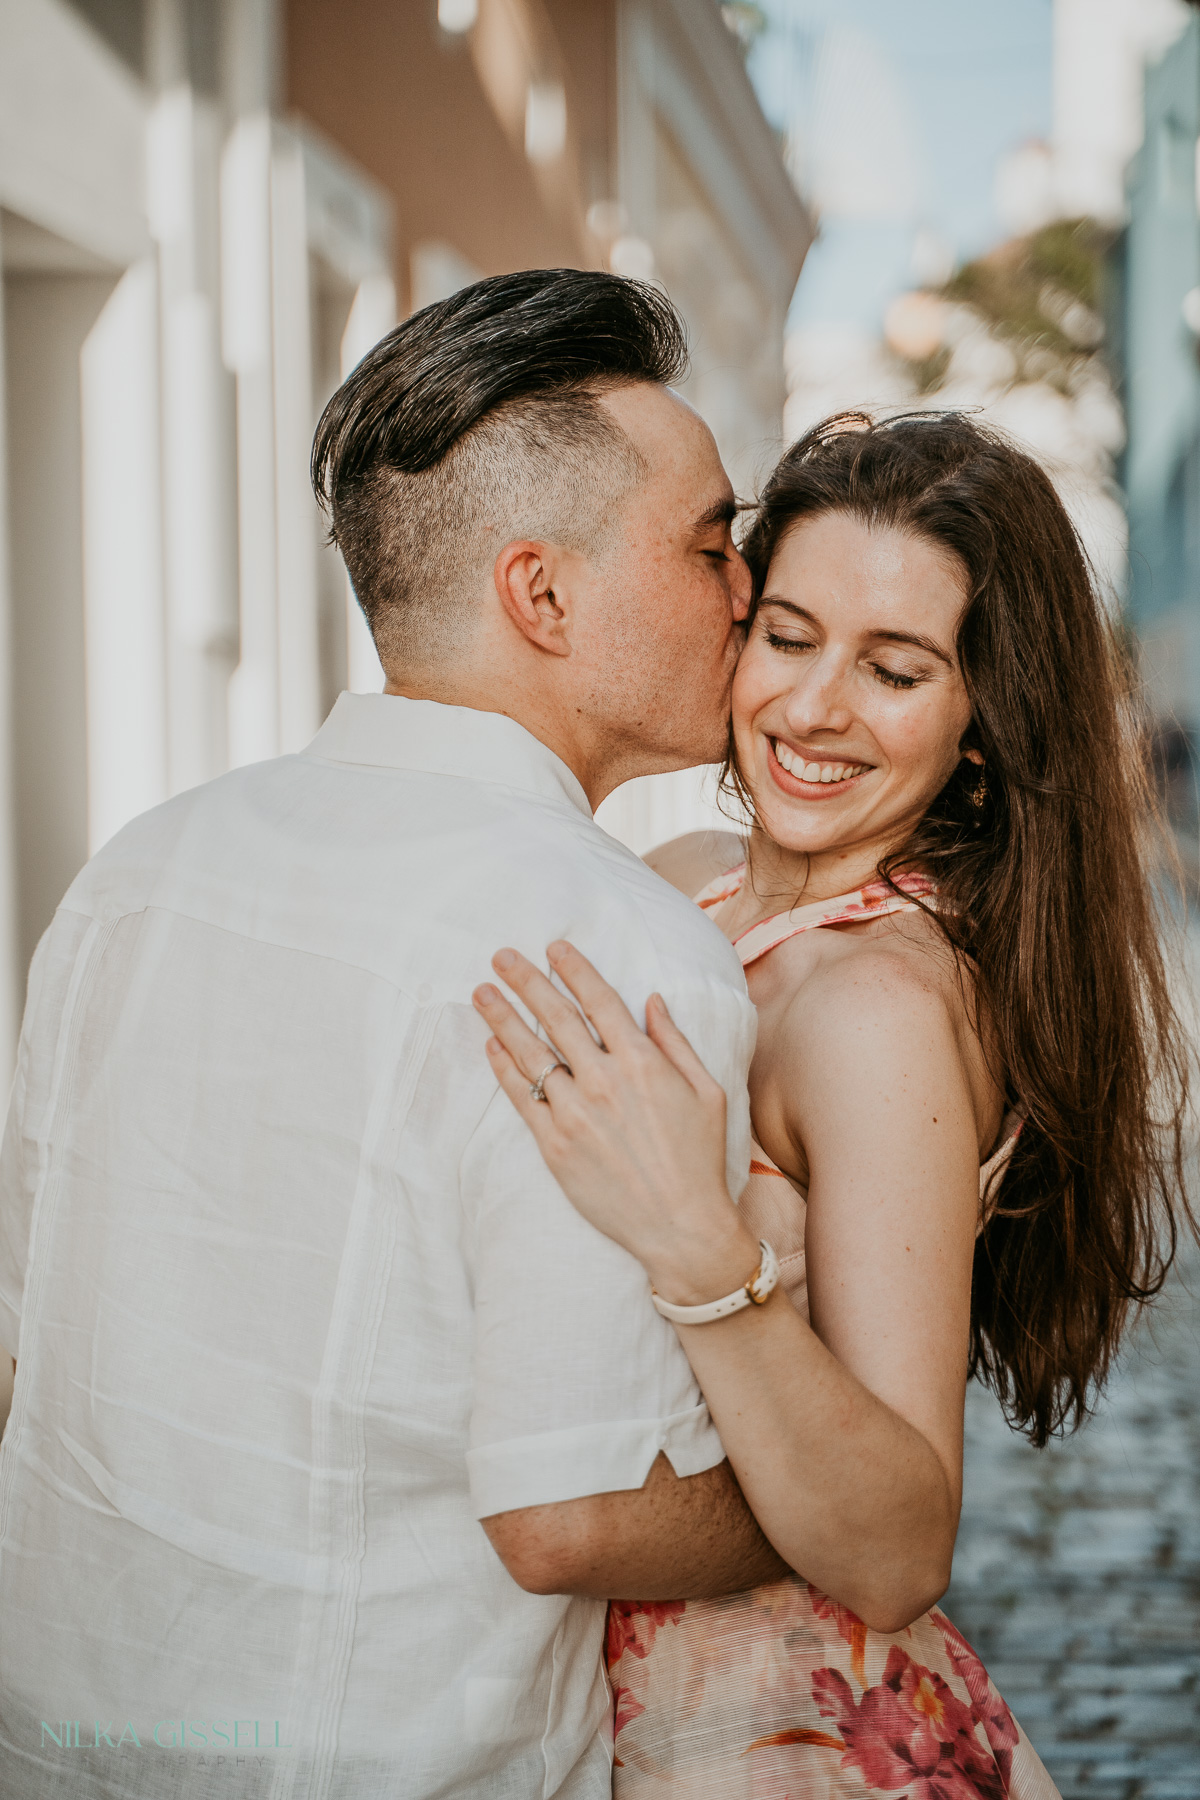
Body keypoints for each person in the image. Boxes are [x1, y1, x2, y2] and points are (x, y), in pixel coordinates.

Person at [0, 271, 794, 1800]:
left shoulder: (137, 868)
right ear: (541, 594)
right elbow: (571, 1512)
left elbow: (33, 1345)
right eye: (709, 545)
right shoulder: (617, 951)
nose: (745, 590)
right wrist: (815, 1482)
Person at [473, 412, 1194, 1798]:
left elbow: (899, 1547)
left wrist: (705, 1255)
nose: (813, 708)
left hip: (769, 1738)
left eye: (896, 668)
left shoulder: (879, 1012)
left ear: (983, 722)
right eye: (790, 636)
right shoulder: (681, 875)